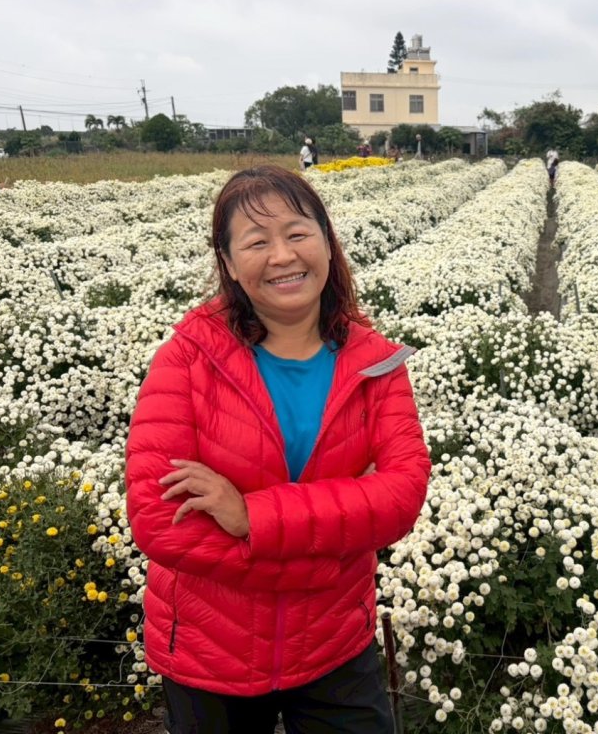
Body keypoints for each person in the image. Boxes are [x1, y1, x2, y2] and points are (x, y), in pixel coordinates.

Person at [125, 165, 431, 734]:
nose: (283, 255)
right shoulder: (188, 359)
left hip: (334, 645)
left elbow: (402, 494)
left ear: (326, 242)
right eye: (257, 241)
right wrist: (325, 552)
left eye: (297, 233)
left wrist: (251, 517)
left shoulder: (375, 363)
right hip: (211, 654)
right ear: (229, 264)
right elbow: (159, 520)